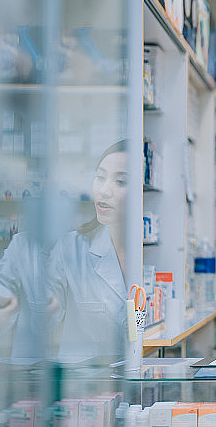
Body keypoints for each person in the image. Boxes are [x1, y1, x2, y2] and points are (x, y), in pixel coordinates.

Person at [46, 139, 130, 357]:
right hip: (84, 385)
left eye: (120, 181)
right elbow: (41, 318)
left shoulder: (154, 254)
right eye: (100, 178)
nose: (104, 191)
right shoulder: (71, 249)